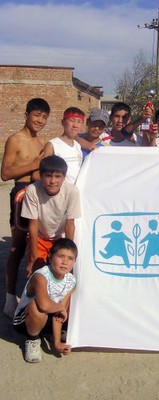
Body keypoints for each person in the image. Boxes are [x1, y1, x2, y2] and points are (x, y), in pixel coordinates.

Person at [1, 97, 51, 318]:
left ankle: (33, 296)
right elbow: (5, 174)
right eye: (36, 115)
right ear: (27, 114)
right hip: (21, 193)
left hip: (39, 194)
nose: (40, 120)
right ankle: (10, 299)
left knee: (38, 245)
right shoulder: (15, 139)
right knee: (18, 248)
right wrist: (34, 164)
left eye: (44, 117)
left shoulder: (43, 143)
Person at [13, 238, 77, 363]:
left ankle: (52, 335)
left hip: (49, 317)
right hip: (25, 320)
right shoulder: (40, 276)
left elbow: (59, 313)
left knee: (66, 308)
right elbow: (44, 305)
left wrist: (57, 343)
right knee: (37, 306)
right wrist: (61, 308)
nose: (65, 262)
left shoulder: (71, 280)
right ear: (50, 256)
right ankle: (32, 339)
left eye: (70, 258)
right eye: (61, 256)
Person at [21, 155, 81, 277]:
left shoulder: (71, 191)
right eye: (48, 176)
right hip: (40, 236)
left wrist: (68, 253)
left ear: (64, 177)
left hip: (60, 237)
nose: (53, 181)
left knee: (63, 274)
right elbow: (33, 224)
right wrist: (33, 256)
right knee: (37, 273)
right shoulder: (32, 190)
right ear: (41, 176)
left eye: (58, 176)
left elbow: (70, 223)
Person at [43, 107, 85, 184]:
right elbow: (43, 173)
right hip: (60, 192)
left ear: (82, 126)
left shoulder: (78, 146)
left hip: (76, 191)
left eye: (79, 122)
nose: (75, 125)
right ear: (63, 122)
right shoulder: (52, 145)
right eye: (72, 120)